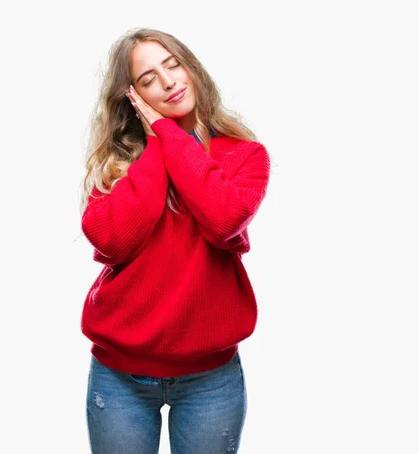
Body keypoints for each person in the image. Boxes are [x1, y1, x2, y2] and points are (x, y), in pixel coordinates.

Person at [79, 27, 270, 454]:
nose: (168, 82)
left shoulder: (243, 155)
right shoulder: (117, 167)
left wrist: (171, 135)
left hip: (211, 380)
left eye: (173, 65)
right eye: (148, 79)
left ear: (191, 68)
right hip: (119, 377)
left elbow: (223, 220)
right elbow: (113, 241)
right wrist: (157, 140)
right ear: (133, 98)